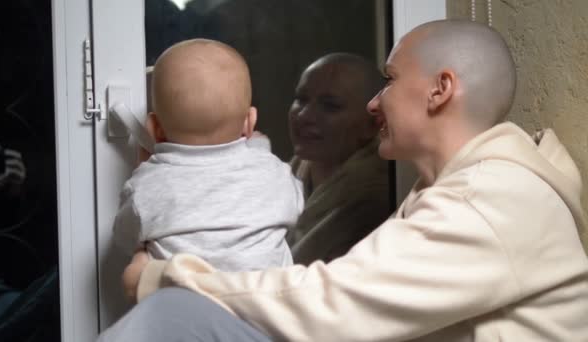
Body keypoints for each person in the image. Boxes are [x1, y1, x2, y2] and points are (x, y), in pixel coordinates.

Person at [100, 20, 588, 341]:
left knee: (171, 314)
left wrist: (164, 275)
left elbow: (332, 306)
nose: (375, 103)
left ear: (440, 91)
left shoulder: (491, 201)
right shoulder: (456, 191)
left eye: (390, 80)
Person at [112, 39, 304, 272]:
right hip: (262, 302)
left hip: (184, 304)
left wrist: (147, 170)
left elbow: (125, 238)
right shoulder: (274, 173)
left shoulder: (146, 187)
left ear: (154, 128)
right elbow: (296, 207)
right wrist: (259, 152)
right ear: (250, 122)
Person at [286, 53, 393, 264]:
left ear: (373, 124)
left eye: (330, 106)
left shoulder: (375, 201)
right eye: (301, 99)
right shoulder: (292, 171)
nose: (304, 116)